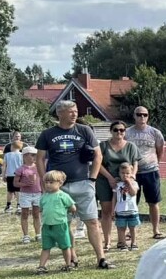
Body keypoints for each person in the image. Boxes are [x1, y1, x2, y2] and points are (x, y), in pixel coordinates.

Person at [36, 100, 113, 269]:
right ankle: (72, 258)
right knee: (65, 223)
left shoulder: (85, 130)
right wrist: (45, 181)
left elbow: (97, 155)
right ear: (60, 113)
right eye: (70, 111)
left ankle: (101, 258)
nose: (74, 114)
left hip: (83, 183)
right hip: (59, 187)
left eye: (76, 111)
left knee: (92, 221)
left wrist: (92, 179)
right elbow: (39, 158)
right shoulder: (47, 134)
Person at [124, 105, 165, 240]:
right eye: (139, 114)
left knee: (153, 202)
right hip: (133, 174)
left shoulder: (155, 133)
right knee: (132, 202)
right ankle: (131, 231)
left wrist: (154, 163)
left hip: (151, 171)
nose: (142, 117)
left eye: (145, 115)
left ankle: (156, 230)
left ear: (148, 116)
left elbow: (160, 150)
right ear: (134, 116)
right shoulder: (127, 133)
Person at [99, 120, 140, 231]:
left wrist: (132, 176)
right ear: (111, 131)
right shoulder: (103, 145)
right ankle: (107, 240)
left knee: (125, 209)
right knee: (107, 211)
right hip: (105, 180)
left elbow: (135, 162)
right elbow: (98, 164)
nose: (119, 132)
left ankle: (122, 239)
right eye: (116, 130)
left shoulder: (131, 146)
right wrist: (110, 179)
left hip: (125, 182)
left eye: (122, 130)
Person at [37, 171, 78, 273]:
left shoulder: (63, 195)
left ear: (60, 183)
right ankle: (41, 266)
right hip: (47, 226)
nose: (48, 185)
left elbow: (73, 207)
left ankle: (68, 264)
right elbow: (41, 209)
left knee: (65, 246)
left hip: (60, 225)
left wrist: (66, 211)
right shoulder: (44, 197)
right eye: (46, 182)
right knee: (46, 247)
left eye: (51, 182)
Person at [16, 148, 43, 244]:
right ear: (25, 156)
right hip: (25, 194)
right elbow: (15, 183)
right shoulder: (21, 169)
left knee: (37, 214)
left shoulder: (39, 167)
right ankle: (26, 235)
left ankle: (38, 234)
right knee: (25, 214)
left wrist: (43, 191)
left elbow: (41, 181)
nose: (34, 157)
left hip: (37, 193)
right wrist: (24, 184)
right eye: (32, 155)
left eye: (35, 155)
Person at [114, 162, 142, 250]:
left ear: (131, 173)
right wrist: (112, 209)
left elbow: (133, 193)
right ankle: (123, 244)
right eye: (123, 173)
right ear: (119, 174)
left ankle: (134, 242)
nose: (125, 175)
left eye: (127, 173)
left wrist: (129, 183)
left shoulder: (134, 183)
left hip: (132, 209)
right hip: (120, 210)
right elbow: (114, 198)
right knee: (121, 228)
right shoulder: (117, 185)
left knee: (132, 228)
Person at [2, 138, 23, 214]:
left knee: (10, 191)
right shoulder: (22, 155)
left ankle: (8, 205)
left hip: (10, 175)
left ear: (12, 147)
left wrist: (3, 175)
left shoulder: (7, 155)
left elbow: (4, 165)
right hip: (19, 175)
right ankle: (19, 205)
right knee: (18, 191)